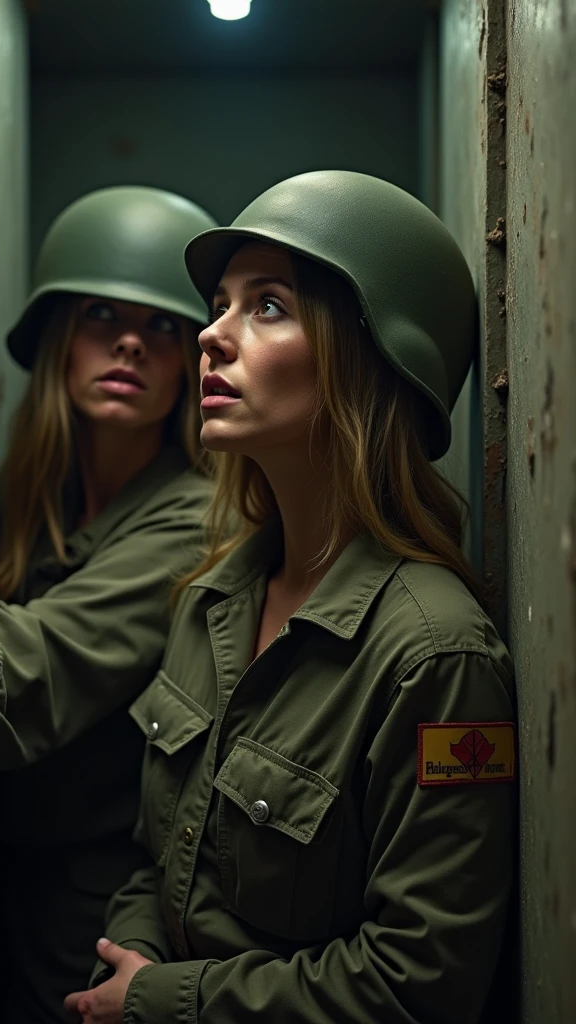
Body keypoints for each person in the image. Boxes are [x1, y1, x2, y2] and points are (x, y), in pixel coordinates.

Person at [64, 171, 516, 1024]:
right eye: (221, 304)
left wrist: (160, 1002)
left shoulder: (435, 655)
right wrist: (129, 967)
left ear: (370, 353)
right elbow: (159, 861)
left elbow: (420, 983)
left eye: (266, 306)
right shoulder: (214, 597)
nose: (210, 336)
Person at [0, 185, 217, 1024]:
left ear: (195, 357)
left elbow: (45, 661)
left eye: (164, 325)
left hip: (107, 911)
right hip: (10, 883)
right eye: (99, 315)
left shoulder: (198, 518)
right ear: (59, 340)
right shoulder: (28, 497)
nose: (130, 342)